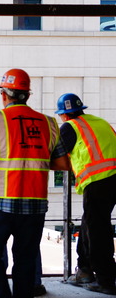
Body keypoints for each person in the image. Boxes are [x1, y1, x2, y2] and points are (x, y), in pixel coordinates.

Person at [0, 69, 71, 298]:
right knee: (26, 260)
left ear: (4, 95)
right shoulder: (50, 123)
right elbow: (63, 164)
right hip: (35, 205)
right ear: (28, 95)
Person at [55, 93, 116, 295]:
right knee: (90, 223)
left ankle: (105, 279)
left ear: (64, 115)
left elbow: (54, 154)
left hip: (99, 180)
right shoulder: (100, 122)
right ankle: (85, 270)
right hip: (112, 178)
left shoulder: (70, 127)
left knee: (98, 230)